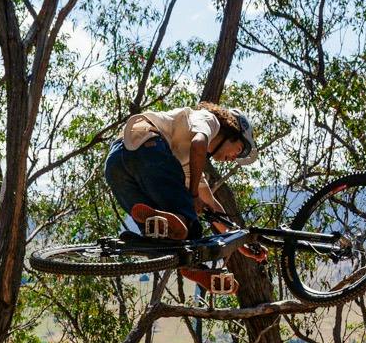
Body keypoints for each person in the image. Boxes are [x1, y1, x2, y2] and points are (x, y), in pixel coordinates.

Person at [104, 102, 257, 247]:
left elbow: (211, 204)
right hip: (148, 147)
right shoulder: (209, 119)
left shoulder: (187, 159)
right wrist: (194, 195)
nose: (234, 159)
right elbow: (198, 144)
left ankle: (153, 239)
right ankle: (185, 227)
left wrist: (239, 243)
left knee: (157, 233)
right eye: (239, 150)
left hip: (115, 163)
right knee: (190, 229)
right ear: (231, 132)